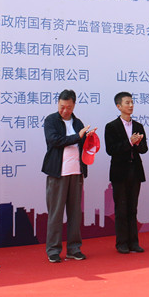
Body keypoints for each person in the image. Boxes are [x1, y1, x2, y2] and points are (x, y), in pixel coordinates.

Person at [42, 89, 96, 262]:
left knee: (75, 213)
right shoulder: (51, 120)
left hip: (76, 172)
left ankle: (74, 248)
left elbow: (83, 144)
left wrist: (88, 138)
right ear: (58, 104)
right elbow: (54, 140)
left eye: (69, 107)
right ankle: (53, 250)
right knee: (56, 214)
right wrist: (77, 136)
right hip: (58, 173)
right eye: (62, 106)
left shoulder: (78, 122)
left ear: (74, 106)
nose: (65, 110)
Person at [104, 92, 148, 253]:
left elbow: (144, 149)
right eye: (127, 103)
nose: (131, 105)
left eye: (132, 102)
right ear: (119, 106)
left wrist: (137, 143)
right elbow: (111, 150)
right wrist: (129, 142)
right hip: (119, 172)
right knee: (121, 209)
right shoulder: (111, 126)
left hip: (135, 171)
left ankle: (134, 242)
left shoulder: (138, 126)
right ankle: (122, 243)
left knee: (133, 208)